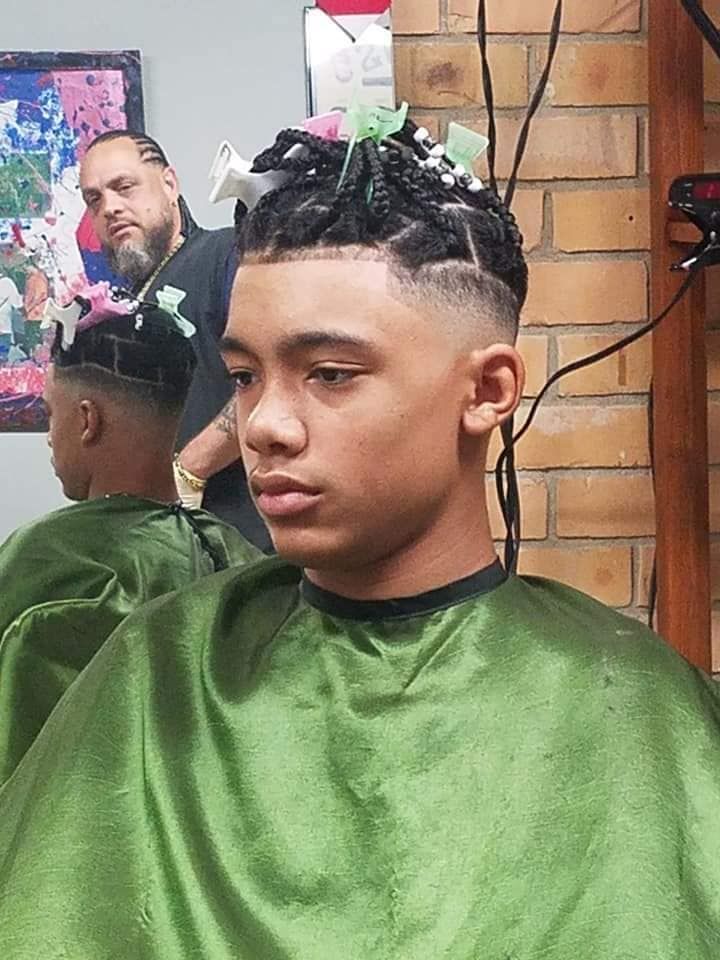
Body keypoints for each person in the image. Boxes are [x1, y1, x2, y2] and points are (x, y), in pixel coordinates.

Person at [2, 118, 720, 959]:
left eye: (330, 374)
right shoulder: (157, 674)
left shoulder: (634, 708)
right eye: (244, 377)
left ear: (488, 390)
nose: (264, 424)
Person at [0, 284, 259, 784]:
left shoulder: (40, 565)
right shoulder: (237, 556)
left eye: (52, 416)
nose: (50, 439)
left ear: (86, 420)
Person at [78, 130, 271, 549]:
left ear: (169, 184)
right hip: (168, 547)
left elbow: (273, 374)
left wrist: (191, 468)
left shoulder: (226, 254)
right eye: (94, 199)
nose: (110, 207)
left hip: (244, 543)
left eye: (124, 187)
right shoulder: (124, 304)